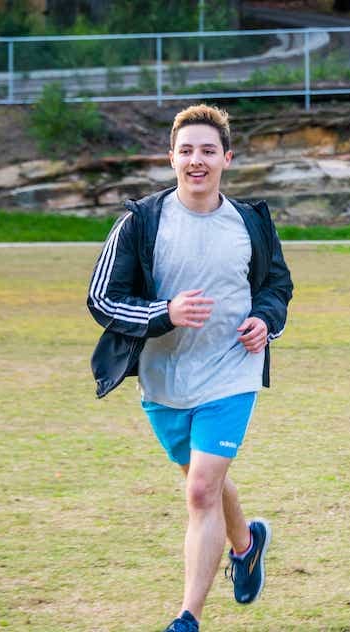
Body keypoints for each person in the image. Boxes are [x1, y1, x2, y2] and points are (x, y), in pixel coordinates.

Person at [87, 103, 293, 630]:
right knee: (203, 479)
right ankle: (246, 545)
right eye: (186, 151)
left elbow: (276, 288)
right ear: (170, 157)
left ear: (227, 158)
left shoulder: (250, 222)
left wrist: (265, 321)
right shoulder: (141, 221)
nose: (196, 160)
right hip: (164, 378)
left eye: (207, 151)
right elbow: (101, 298)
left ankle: (187, 618)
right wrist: (164, 312)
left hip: (232, 371)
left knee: (200, 489)